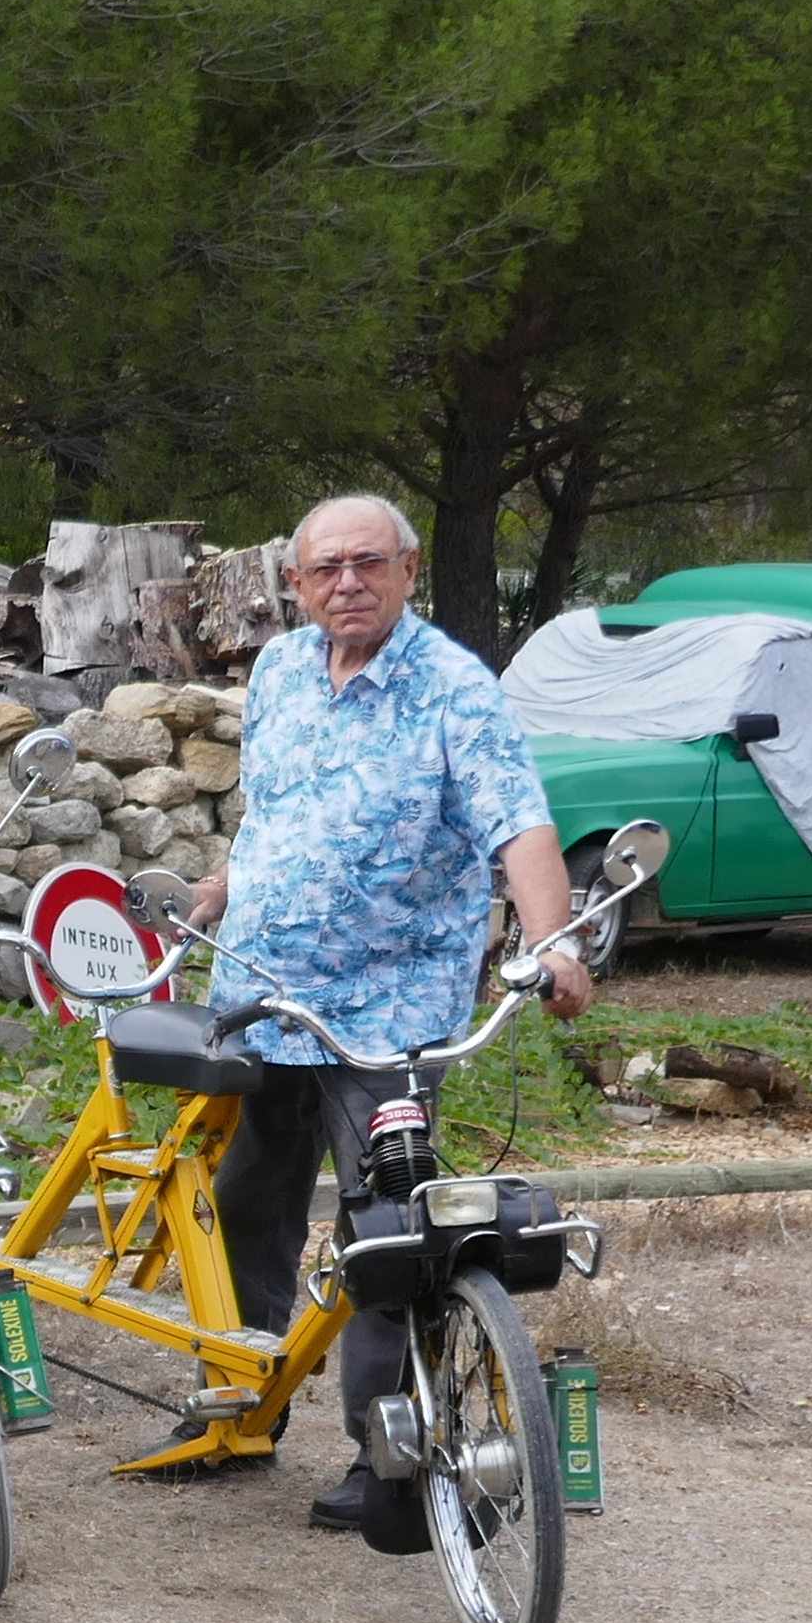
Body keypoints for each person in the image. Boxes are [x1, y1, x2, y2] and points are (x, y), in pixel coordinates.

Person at [169, 489, 592, 1537]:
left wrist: (552, 939)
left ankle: (392, 1455)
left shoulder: (454, 687)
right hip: (263, 1001)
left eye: (368, 563)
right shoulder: (278, 672)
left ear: (408, 570)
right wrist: (221, 891)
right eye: (326, 569)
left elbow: (519, 824)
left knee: (387, 1234)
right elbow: (275, 809)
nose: (347, 583)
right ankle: (243, 1396)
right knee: (249, 1200)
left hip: (383, 1015)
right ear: (297, 585)